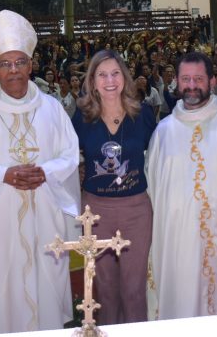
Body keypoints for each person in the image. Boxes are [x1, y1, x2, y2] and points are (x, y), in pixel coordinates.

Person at [0, 10, 81, 333]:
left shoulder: (52, 109)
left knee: (46, 290)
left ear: (31, 65)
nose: (13, 71)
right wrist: (3, 175)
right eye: (5, 64)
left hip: (45, 220)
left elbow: (70, 154)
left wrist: (46, 172)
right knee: (1, 293)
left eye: (19, 62)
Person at [146, 52, 217, 319]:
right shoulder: (163, 132)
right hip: (180, 238)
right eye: (185, 79)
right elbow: (155, 191)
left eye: (198, 78)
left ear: (212, 81)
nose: (191, 85)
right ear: (176, 81)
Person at [72, 49, 157, 324]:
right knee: (105, 288)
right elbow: (67, 155)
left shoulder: (142, 113)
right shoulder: (82, 117)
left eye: (115, 73)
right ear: (92, 80)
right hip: (96, 210)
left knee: (134, 288)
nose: (110, 80)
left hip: (136, 210)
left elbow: (159, 155)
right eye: (102, 74)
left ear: (125, 77)